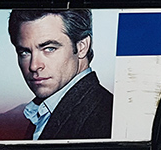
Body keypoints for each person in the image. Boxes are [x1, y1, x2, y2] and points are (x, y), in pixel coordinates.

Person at [8, 9, 113, 140]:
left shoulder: (105, 117)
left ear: (82, 47)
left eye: (49, 49)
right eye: (25, 52)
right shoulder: (44, 111)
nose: (34, 66)